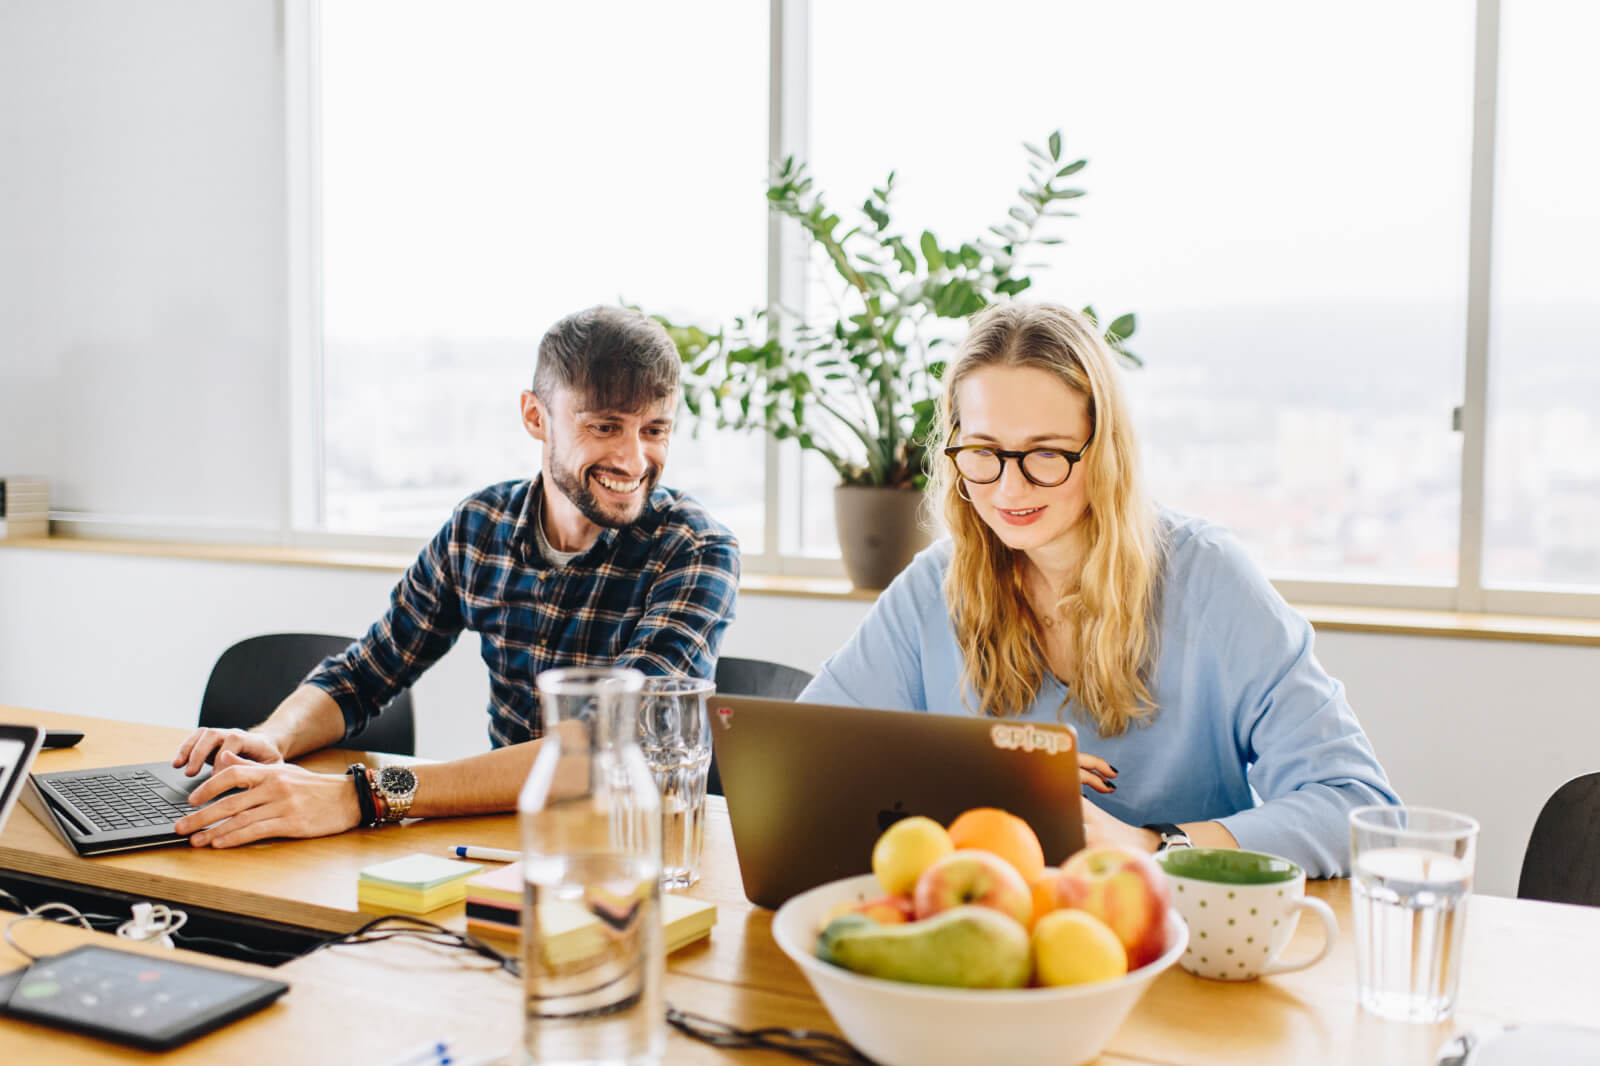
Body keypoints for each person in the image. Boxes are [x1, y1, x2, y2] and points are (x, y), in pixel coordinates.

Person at [799, 302, 1397, 877]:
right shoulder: (933, 586)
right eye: (983, 453)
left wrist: (1153, 846)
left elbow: (1358, 808)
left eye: (1046, 454)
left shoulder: (1211, 581)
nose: (1008, 489)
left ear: (1104, 450)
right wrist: (971, 768)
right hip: (984, 936)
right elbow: (804, 765)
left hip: (1175, 945)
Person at [171, 305, 740, 848]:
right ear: (535, 417)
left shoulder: (694, 550)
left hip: (637, 853)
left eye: (654, 430)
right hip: (502, 840)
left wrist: (367, 797)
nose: (634, 459)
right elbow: (365, 673)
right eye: (606, 426)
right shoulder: (480, 526)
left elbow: (609, 747)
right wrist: (271, 738)